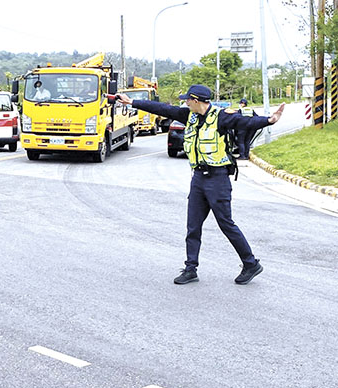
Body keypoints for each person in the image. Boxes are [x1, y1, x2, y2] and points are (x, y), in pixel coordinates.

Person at [116, 84, 285, 285]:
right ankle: (190, 268)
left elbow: (244, 122)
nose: (185, 102)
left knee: (226, 224)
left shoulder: (222, 117)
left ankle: (251, 263)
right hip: (198, 179)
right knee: (193, 226)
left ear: (196, 101)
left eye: (187, 99)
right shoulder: (189, 116)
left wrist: (269, 120)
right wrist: (132, 101)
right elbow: (162, 108)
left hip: (218, 179)